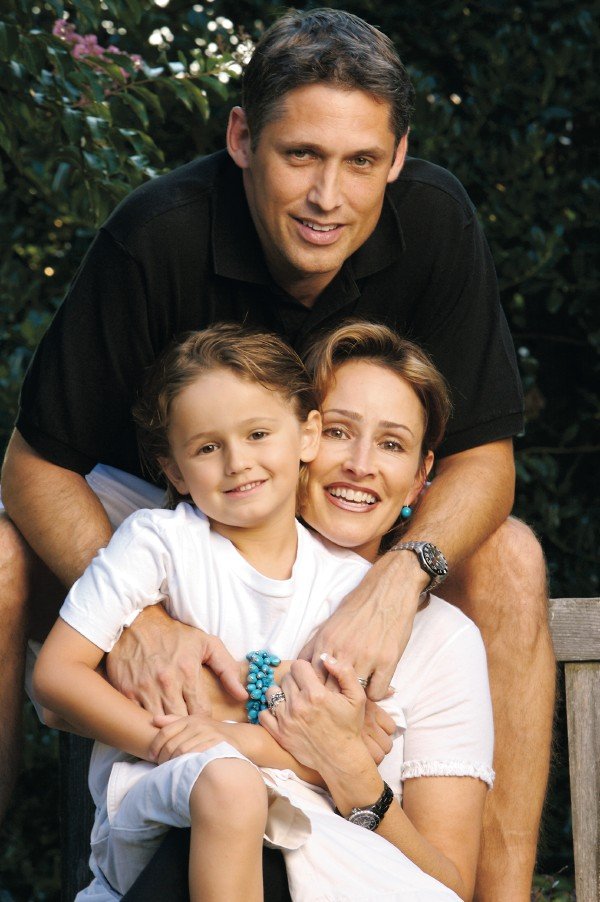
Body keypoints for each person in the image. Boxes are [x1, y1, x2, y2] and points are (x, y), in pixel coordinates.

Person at [0, 9, 554, 898]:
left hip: (346, 516)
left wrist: (399, 578)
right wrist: (140, 621)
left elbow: (485, 459)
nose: (328, 196)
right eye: (301, 155)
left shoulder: (436, 223)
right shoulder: (158, 235)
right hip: (176, 502)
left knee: (513, 561)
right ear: (242, 139)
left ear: (398, 157)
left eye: (361, 161)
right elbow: (32, 465)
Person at [34, 322, 493, 901]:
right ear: (312, 437)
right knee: (230, 792)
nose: (359, 464)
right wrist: (239, 713)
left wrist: (259, 729)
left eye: (391, 444)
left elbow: (438, 871)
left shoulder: (403, 618)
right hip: (183, 821)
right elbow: (58, 690)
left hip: (326, 852)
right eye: (341, 432)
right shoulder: (165, 548)